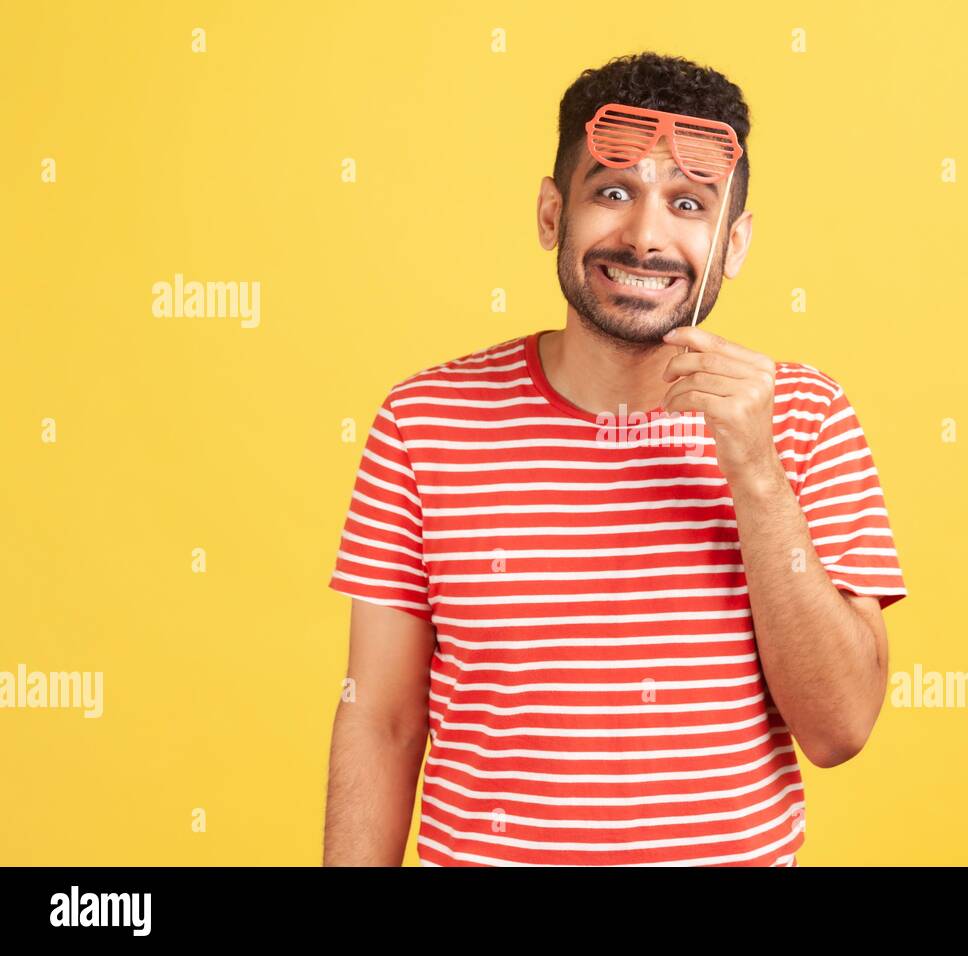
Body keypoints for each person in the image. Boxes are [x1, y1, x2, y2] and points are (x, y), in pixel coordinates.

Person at [323, 51, 908, 867]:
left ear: (733, 243)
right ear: (549, 213)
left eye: (688, 203)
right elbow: (381, 720)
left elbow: (840, 727)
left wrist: (756, 473)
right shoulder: (425, 421)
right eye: (612, 192)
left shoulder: (805, 418)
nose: (645, 236)